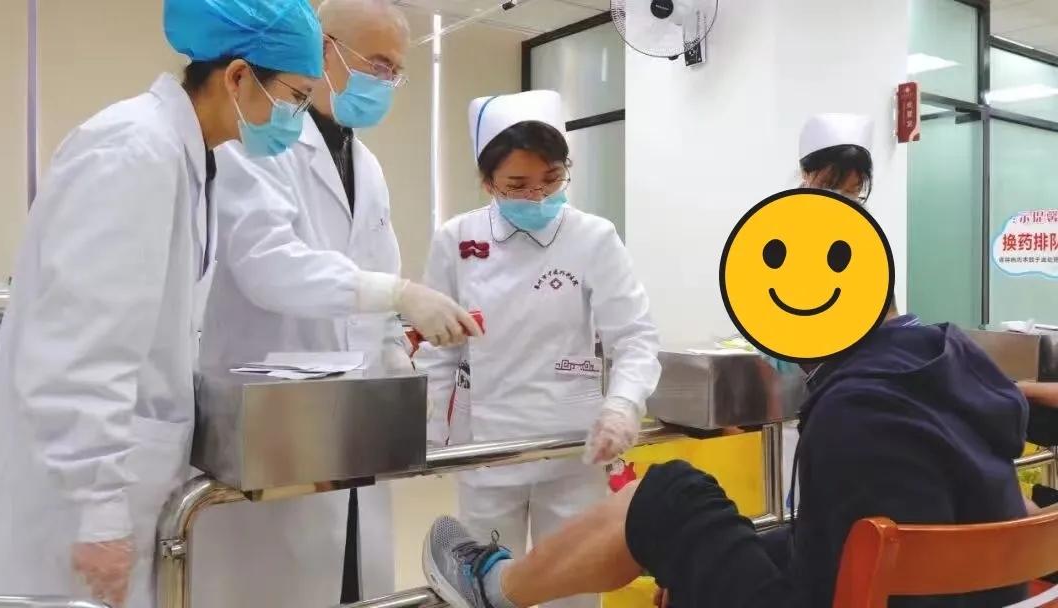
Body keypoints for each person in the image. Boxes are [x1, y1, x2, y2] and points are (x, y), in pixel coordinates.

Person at [0, 1, 323, 607]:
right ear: (238, 76)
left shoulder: (191, 160)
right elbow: (82, 347)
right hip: (67, 508)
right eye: (295, 97)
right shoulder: (133, 150)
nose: (297, 118)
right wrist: (98, 511)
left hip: (124, 483)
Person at [422, 302, 1031, 608]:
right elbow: (853, 541)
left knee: (669, 494)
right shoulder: (948, 369)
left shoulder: (857, 412)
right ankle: (502, 583)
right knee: (679, 517)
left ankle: (495, 587)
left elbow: (833, 573)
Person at [194, 1, 474, 606]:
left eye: (396, 72)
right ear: (323, 49)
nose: (386, 83)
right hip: (275, 421)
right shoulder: (254, 141)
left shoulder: (365, 163)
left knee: (352, 578)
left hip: (352, 422)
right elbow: (270, 266)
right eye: (378, 64)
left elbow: (379, 276)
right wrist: (398, 294)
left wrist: (399, 358)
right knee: (277, 585)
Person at [415, 90, 662, 608]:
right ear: (488, 183)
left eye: (551, 179)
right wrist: (430, 438)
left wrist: (622, 406)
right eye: (518, 185)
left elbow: (634, 335)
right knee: (483, 589)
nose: (538, 197)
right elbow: (438, 352)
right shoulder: (456, 240)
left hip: (572, 447)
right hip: (487, 449)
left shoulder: (593, 237)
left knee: (571, 593)